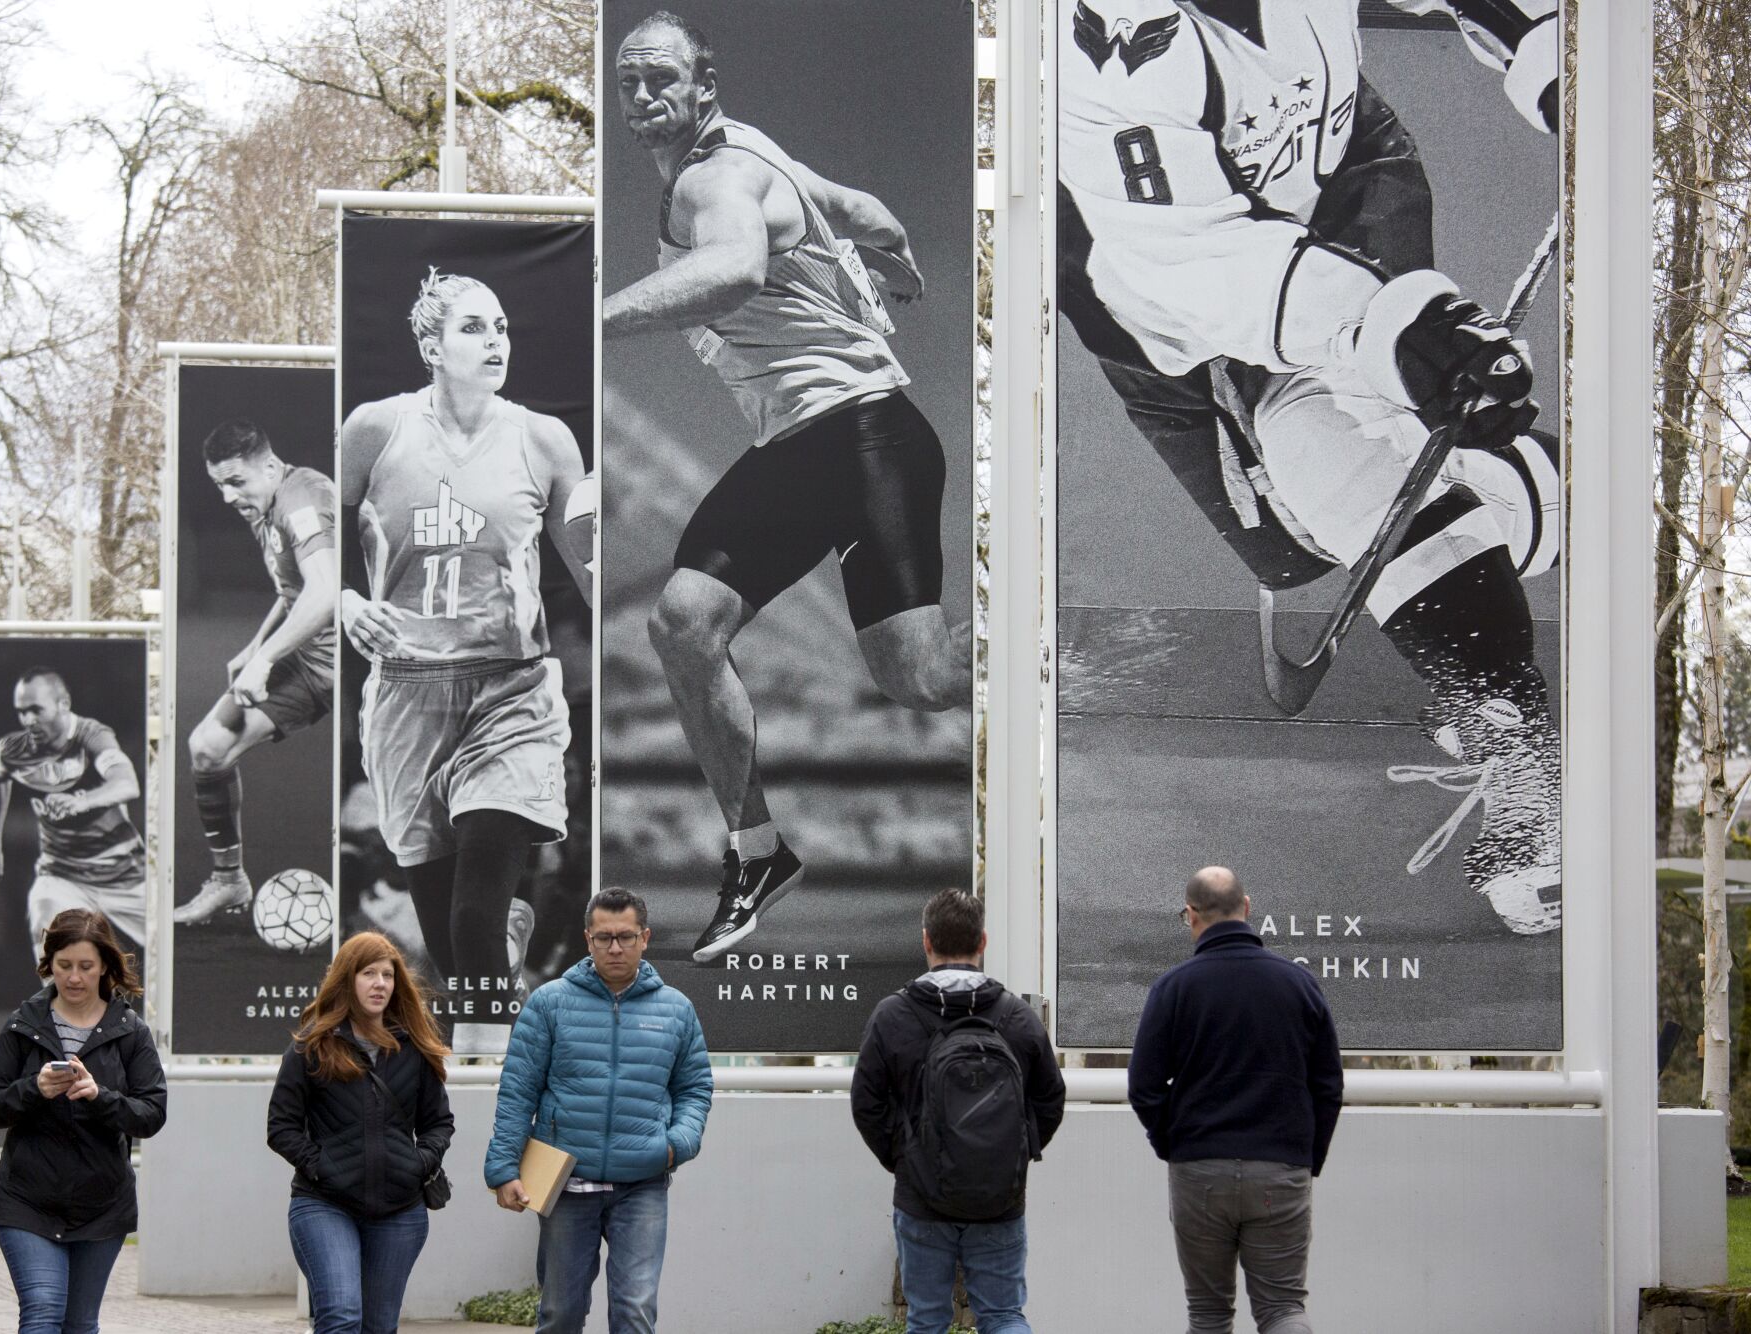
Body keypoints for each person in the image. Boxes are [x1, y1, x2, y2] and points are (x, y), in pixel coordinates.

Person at [1056, 0, 1564, 934]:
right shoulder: (1097, 42)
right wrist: (1391, 328)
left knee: (1330, 460)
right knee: (1291, 550)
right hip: (1158, 299)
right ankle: (1518, 492)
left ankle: (1515, 749)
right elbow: (1192, 261)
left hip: (1340, 175)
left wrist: (1557, 57)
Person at [605, 11, 972, 962]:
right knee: (683, 623)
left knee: (919, 679)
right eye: (628, 81)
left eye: (661, 80)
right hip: (804, 450)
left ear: (704, 86)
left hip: (864, 438)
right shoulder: (760, 153)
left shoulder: (712, 179)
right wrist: (894, 260)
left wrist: (588, 321)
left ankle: (1053, 657)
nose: (643, 96)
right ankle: (757, 850)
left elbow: (734, 269)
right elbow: (865, 210)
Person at [340, 267, 594, 1055]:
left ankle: (496, 1099)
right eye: (475, 328)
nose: (495, 343)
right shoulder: (374, 431)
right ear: (430, 346)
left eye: (503, 328)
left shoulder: (544, 440)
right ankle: (494, 1033)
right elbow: (314, 561)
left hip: (509, 692)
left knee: (472, 919)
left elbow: (592, 575)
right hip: (407, 697)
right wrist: (348, 603)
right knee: (455, 951)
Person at [485, 888, 713, 1334]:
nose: (615, 947)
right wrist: (503, 1169)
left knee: (634, 1313)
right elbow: (517, 1092)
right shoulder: (549, 1003)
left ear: (644, 938)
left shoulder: (676, 1009)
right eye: (604, 937)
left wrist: (675, 1145)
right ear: (587, 939)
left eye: (626, 937)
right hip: (567, 1184)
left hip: (642, 1184)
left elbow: (695, 1089)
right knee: (560, 1314)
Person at [1128, 867, 1344, 1334]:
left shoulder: (1173, 988)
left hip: (1199, 1169)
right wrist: (1306, 1157)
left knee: (1207, 1315)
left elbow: (1143, 1087)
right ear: (1247, 908)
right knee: (1283, 1309)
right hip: (1281, 1170)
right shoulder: (1299, 984)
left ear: (1190, 916)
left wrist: (1176, 1143)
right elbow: (1328, 1085)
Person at [849, 888, 1065, 1334]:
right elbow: (1050, 1099)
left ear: (926, 941)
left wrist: (907, 1157)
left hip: (922, 1199)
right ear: (982, 942)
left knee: (927, 1319)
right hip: (1000, 1198)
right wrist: (1013, 1151)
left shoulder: (894, 1015)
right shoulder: (1018, 1018)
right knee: (1004, 1316)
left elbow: (866, 1103)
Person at [176, 418, 339, 926]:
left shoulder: (302, 498)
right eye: (219, 485)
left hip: (360, 667)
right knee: (207, 748)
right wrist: (255, 646)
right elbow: (291, 590)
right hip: (310, 656)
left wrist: (267, 658)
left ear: (269, 466)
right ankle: (229, 882)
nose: (227, 497)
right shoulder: (263, 502)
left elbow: (325, 593)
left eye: (236, 482)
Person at [0, 908, 166, 1334]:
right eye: (64, 966)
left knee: (79, 1324)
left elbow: (152, 1114)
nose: (75, 978)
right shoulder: (22, 1025)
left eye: (85, 966)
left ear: (104, 967)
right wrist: (33, 1089)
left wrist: (100, 1097)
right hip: (26, 1201)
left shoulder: (130, 1031)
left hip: (102, 1205)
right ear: (49, 965)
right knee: (43, 1309)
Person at [267, 932, 455, 1334]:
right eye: (368, 973)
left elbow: (439, 1122)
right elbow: (281, 1126)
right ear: (346, 980)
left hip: (400, 1210)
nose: (380, 983)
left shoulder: (414, 1048)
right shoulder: (312, 1045)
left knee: (379, 1326)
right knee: (341, 1317)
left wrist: (418, 1162)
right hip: (324, 1204)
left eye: (387, 975)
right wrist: (321, 1166)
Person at [0, 668, 148, 957]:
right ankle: (65, 1003)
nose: (28, 720)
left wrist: (83, 801)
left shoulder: (92, 736)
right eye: (21, 712)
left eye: (36, 710)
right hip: (61, 873)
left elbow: (127, 783)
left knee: (170, 947)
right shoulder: (12, 750)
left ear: (63, 703)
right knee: (48, 928)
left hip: (124, 873)